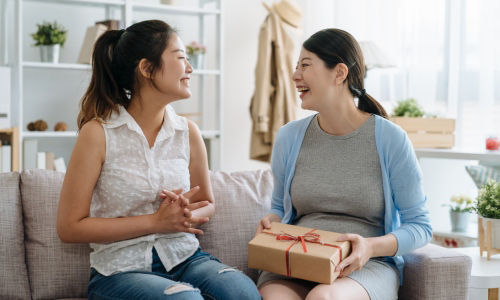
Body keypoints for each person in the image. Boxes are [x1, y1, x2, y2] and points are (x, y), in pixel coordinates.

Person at [57, 20, 260, 300]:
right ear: (147, 69)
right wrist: (156, 221)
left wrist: (187, 214)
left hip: (187, 259)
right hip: (121, 271)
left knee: (243, 293)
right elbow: (69, 227)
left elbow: (207, 204)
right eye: (180, 58)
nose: (190, 68)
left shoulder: (188, 133)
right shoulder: (98, 134)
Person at [255, 28, 432, 300]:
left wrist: (369, 247)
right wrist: (272, 221)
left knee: (324, 298)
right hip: (299, 260)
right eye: (296, 66)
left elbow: (420, 227)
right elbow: (279, 207)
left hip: (365, 266)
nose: (294, 76)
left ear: (339, 73)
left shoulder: (390, 139)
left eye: (305, 65)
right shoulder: (290, 137)